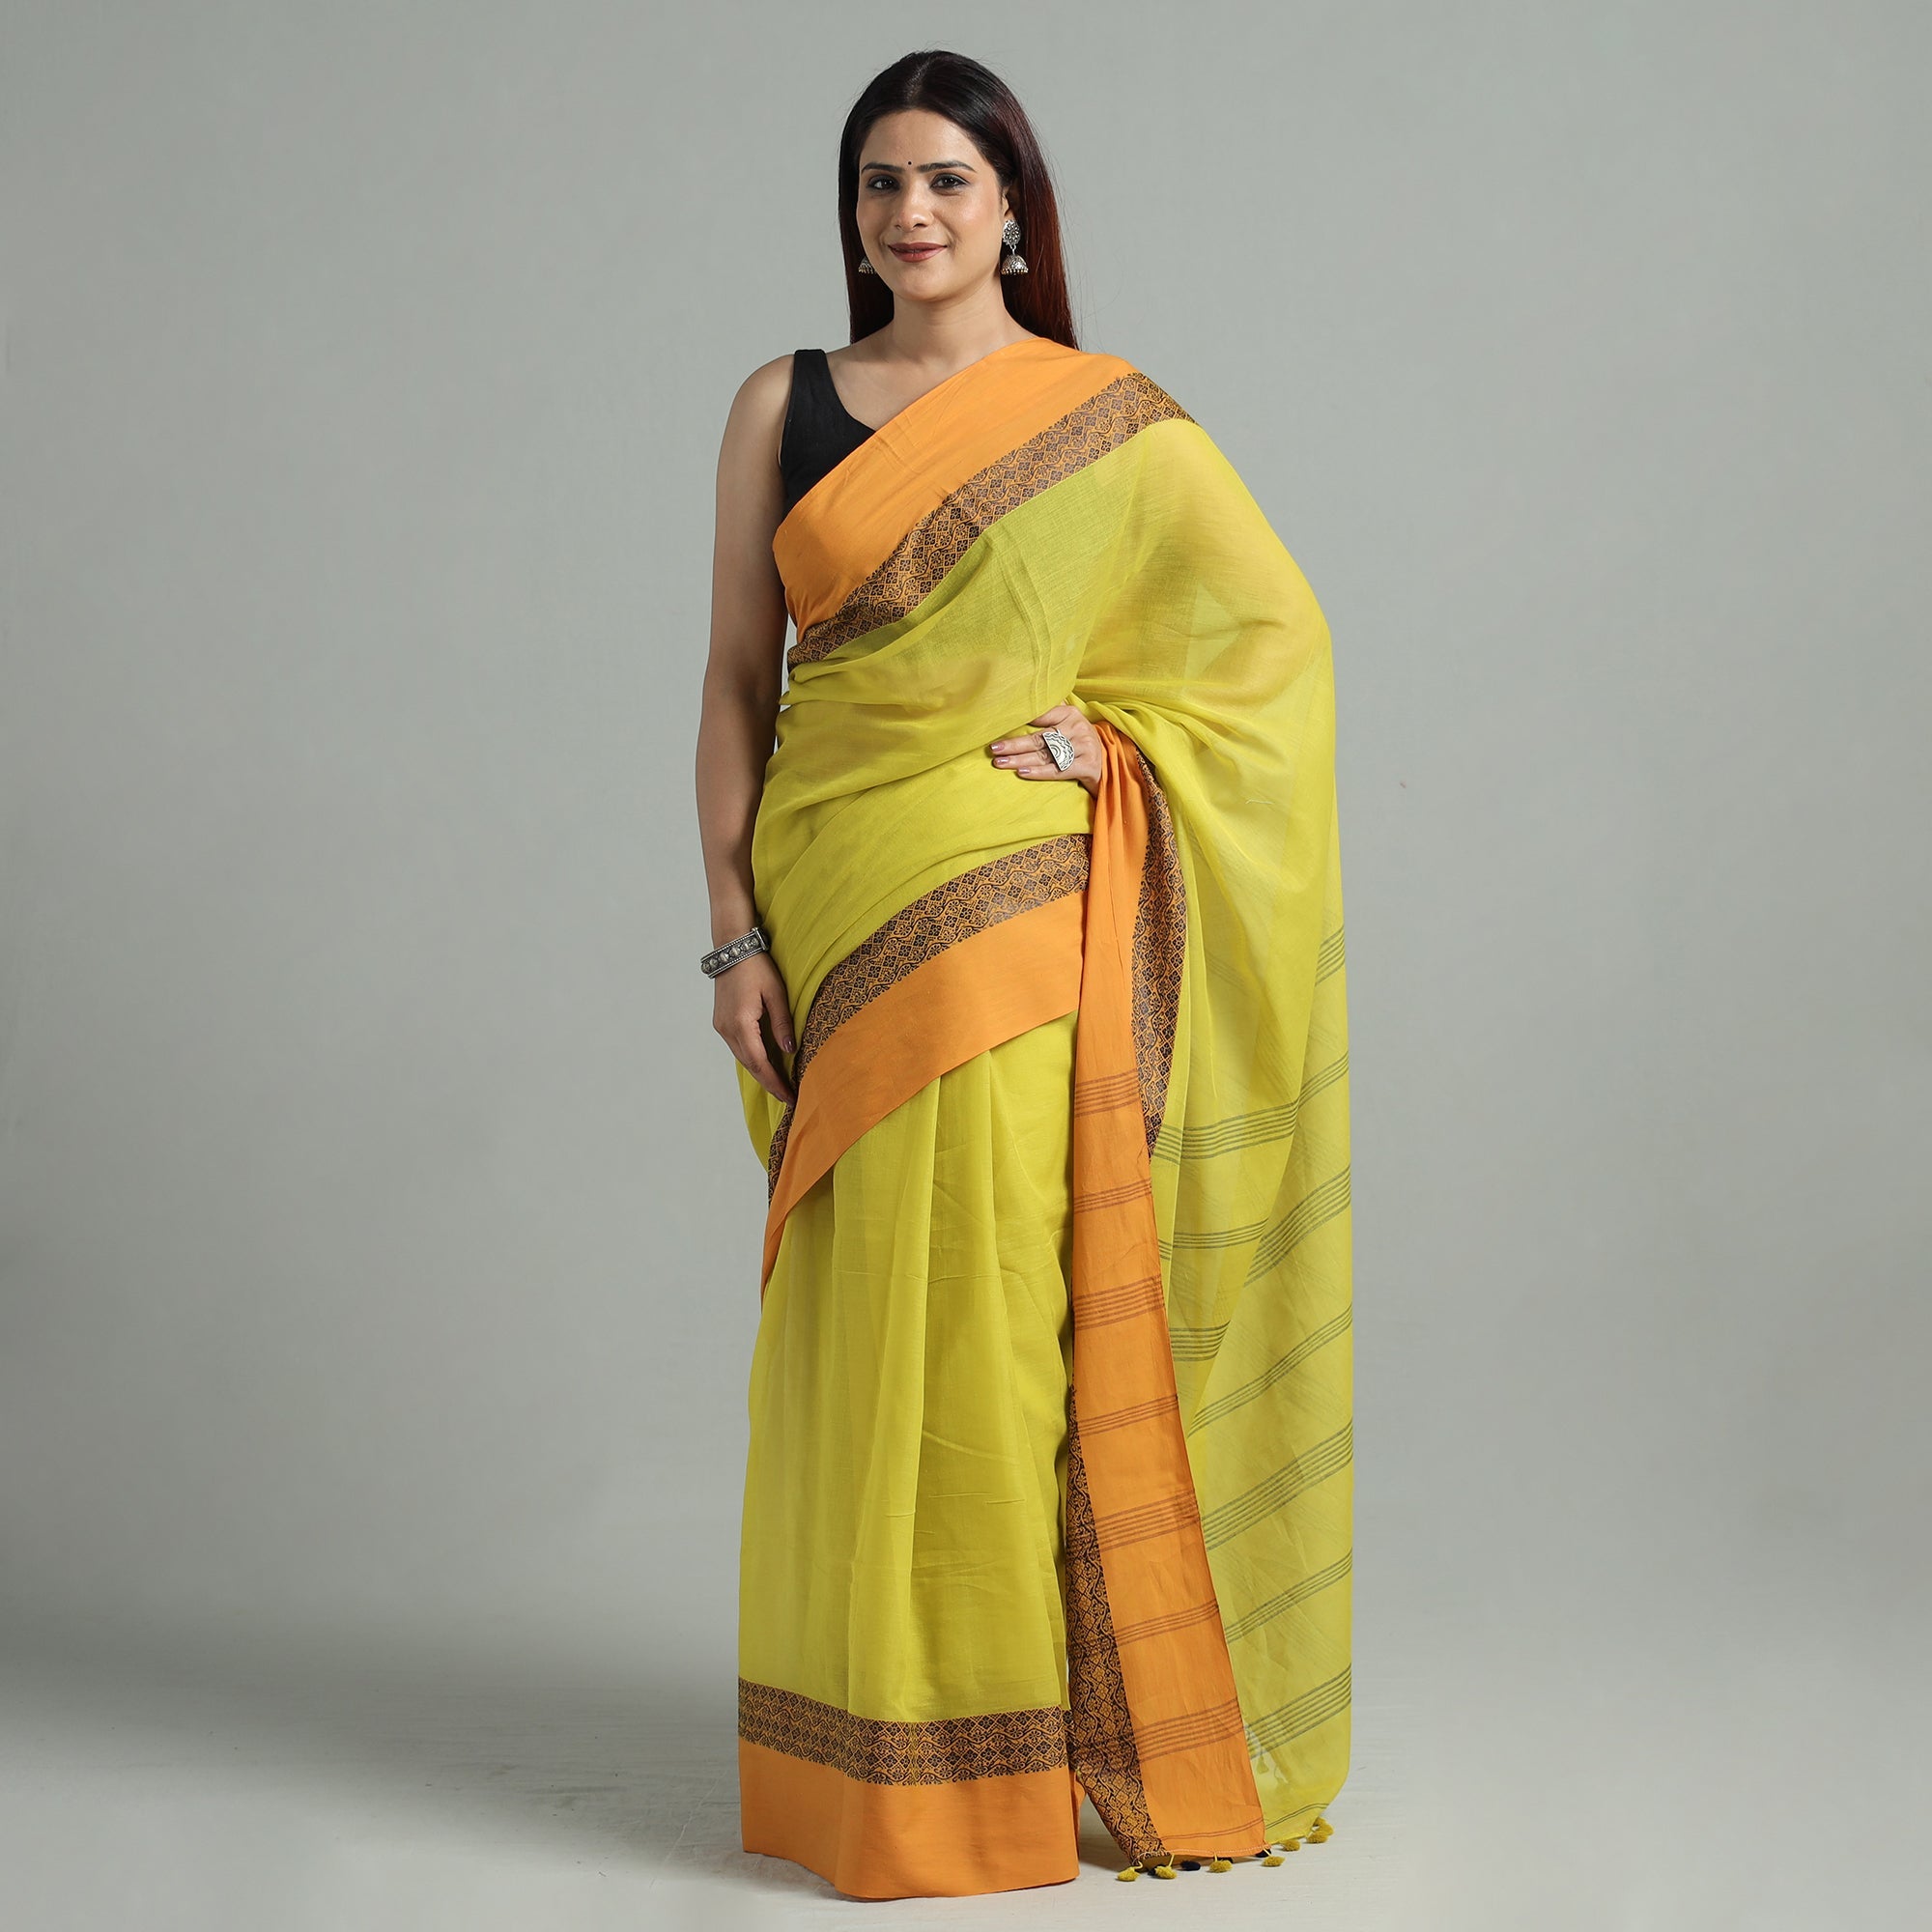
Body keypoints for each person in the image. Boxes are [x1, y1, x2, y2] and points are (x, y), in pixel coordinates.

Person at [695, 47, 1351, 1901]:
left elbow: (1270, 649)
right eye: (880, 182)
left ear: (1011, 212)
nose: (910, 212)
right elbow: (737, 683)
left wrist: (1114, 747)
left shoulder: (1103, 419)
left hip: (1012, 911)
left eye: (947, 182)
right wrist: (733, 932)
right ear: (852, 213)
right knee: (860, 1323)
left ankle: (991, 1776)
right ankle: (869, 1765)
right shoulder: (780, 404)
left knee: (993, 1307)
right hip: (832, 897)